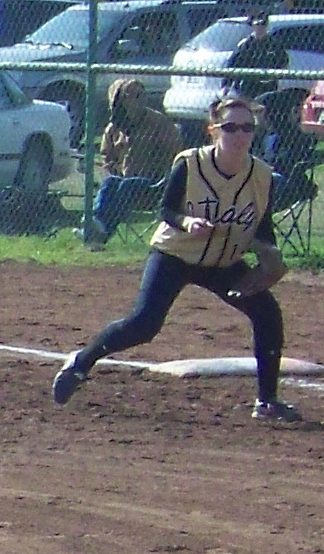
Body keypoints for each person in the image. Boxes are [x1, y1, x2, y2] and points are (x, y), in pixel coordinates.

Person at [53, 91, 299, 422]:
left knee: (267, 313)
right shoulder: (191, 163)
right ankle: (81, 362)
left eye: (247, 128)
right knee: (144, 324)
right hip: (176, 254)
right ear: (212, 130)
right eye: (230, 127)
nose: (240, 135)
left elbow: (262, 228)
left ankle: (267, 401)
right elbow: (166, 209)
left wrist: (270, 258)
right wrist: (187, 222)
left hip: (223, 262)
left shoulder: (261, 176)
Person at [84, 77, 184, 246]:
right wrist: (114, 169)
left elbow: (175, 155)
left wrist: (161, 172)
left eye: (143, 94)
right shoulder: (114, 128)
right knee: (110, 182)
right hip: (123, 181)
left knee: (127, 185)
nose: (141, 99)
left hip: (154, 185)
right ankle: (95, 224)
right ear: (120, 101)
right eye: (134, 96)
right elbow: (107, 156)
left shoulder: (158, 123)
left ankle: (101, 232)